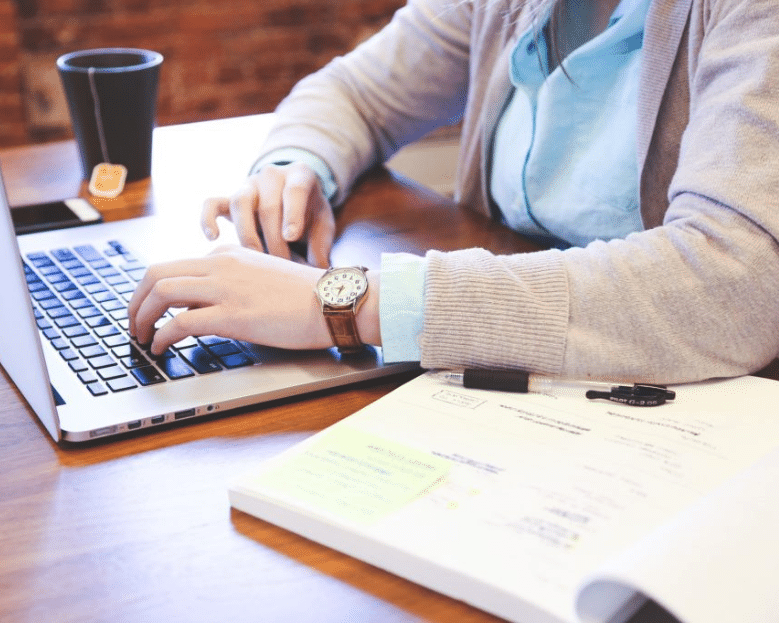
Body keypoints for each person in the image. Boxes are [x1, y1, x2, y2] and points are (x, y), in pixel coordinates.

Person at [128, 0, 779, 384]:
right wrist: (295, 168)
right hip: (519, 383)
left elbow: (734, 282)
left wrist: (347, 303)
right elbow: (356, 93)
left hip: (687, 412)